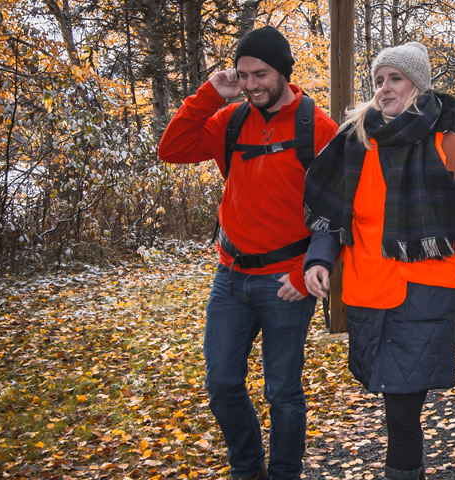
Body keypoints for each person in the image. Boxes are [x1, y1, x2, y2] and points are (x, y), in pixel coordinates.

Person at [301, 41, 455, 480]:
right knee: (395, 409)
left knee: (402, 414)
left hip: (423, 300)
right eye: (379, 80)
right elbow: (332, 219)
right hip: (368, 296)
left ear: (418, 86)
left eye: (395, 79)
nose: (384, 89)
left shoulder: (451, 149)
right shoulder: (355, 142)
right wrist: (319, 261)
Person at [156, 26, 337, 480]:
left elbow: (340, 212)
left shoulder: (317, 126)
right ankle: (247, 469)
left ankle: (283, 473)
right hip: (230, 278)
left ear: (283, 71)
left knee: (282, 390)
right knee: (220, 385)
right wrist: (210, 94)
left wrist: (306, 273)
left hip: (286, 283)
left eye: (261, 74)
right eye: (243, 75)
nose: (252, 84)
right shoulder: (230, 121)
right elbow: (171, 149)